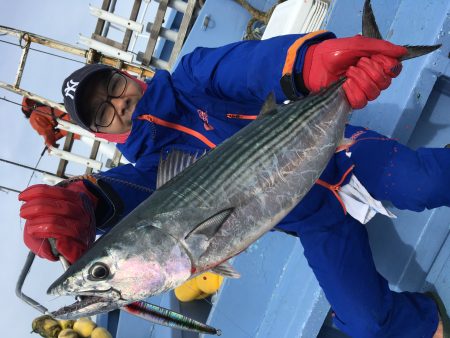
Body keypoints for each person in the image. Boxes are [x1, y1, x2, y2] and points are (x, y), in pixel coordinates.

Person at [18, 32, 449, 338]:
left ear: (128, 74)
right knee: (369, 325)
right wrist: (82, 203)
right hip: (315, 220)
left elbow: (252, 67)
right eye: (103, 113)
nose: (118, 102)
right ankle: (430, 322)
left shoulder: (191, 78)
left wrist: (311, 64)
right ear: (102, 134)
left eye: (113, 86)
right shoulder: (153, 171)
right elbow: (123, 196)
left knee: (424, 183)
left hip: (340, 154)